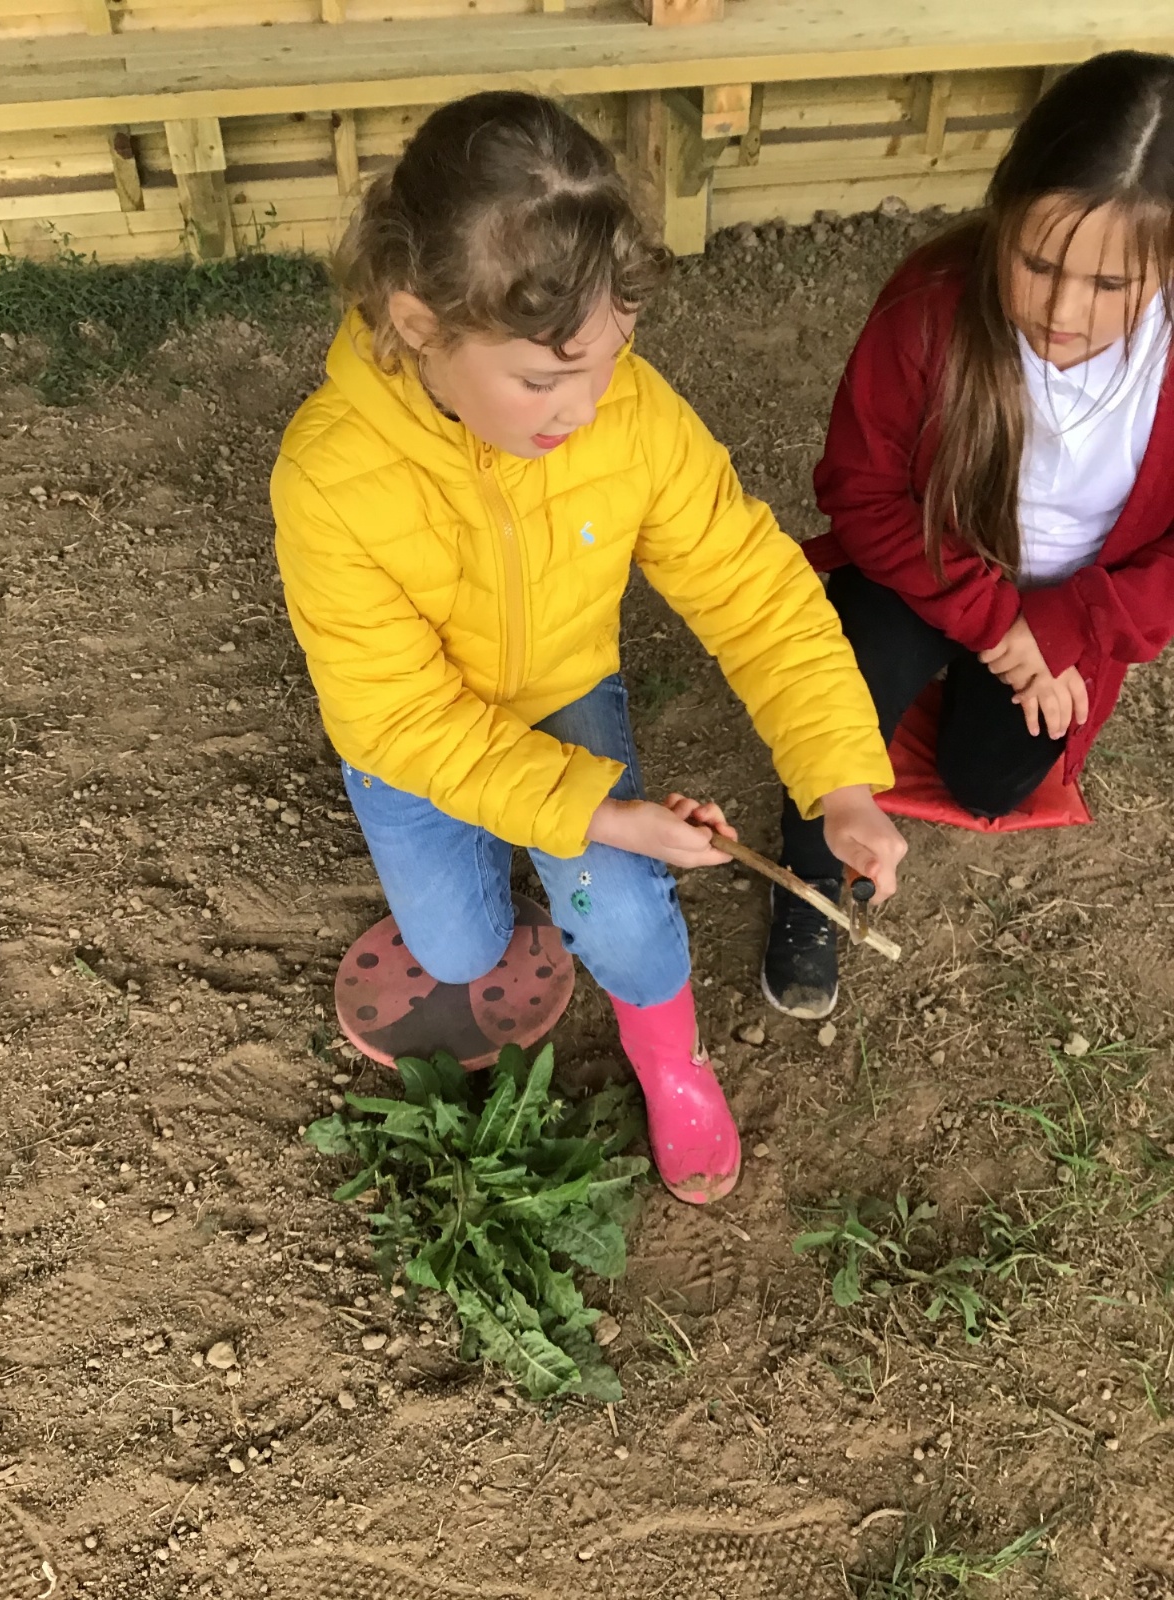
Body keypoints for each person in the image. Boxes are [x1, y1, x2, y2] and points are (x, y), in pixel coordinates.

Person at [271, 91, 906, 1206]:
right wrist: (599, 814)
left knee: (624, 915)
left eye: (608, 360)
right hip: (411, 741)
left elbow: (755, 587)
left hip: (563, 689)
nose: (585, 405)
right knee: (459, 953)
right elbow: (400, 716)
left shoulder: (631, 416)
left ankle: (674, 1065)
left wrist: (840, 777)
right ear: (417, 323)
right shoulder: (329, 476)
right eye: (543, 378)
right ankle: (494, 877)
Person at [763, 49, 1174, 1022]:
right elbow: (861, 491)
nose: (1063, 313)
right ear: (1001, 215)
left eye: (1111, 284)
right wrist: (998, 627)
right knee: (848, 681)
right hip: (924, 565)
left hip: (1072, 604)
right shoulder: (933, 301)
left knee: (989, 784)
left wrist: (1066, 628)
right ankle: (808, 875)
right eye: (1037, 265)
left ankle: (960, 696)